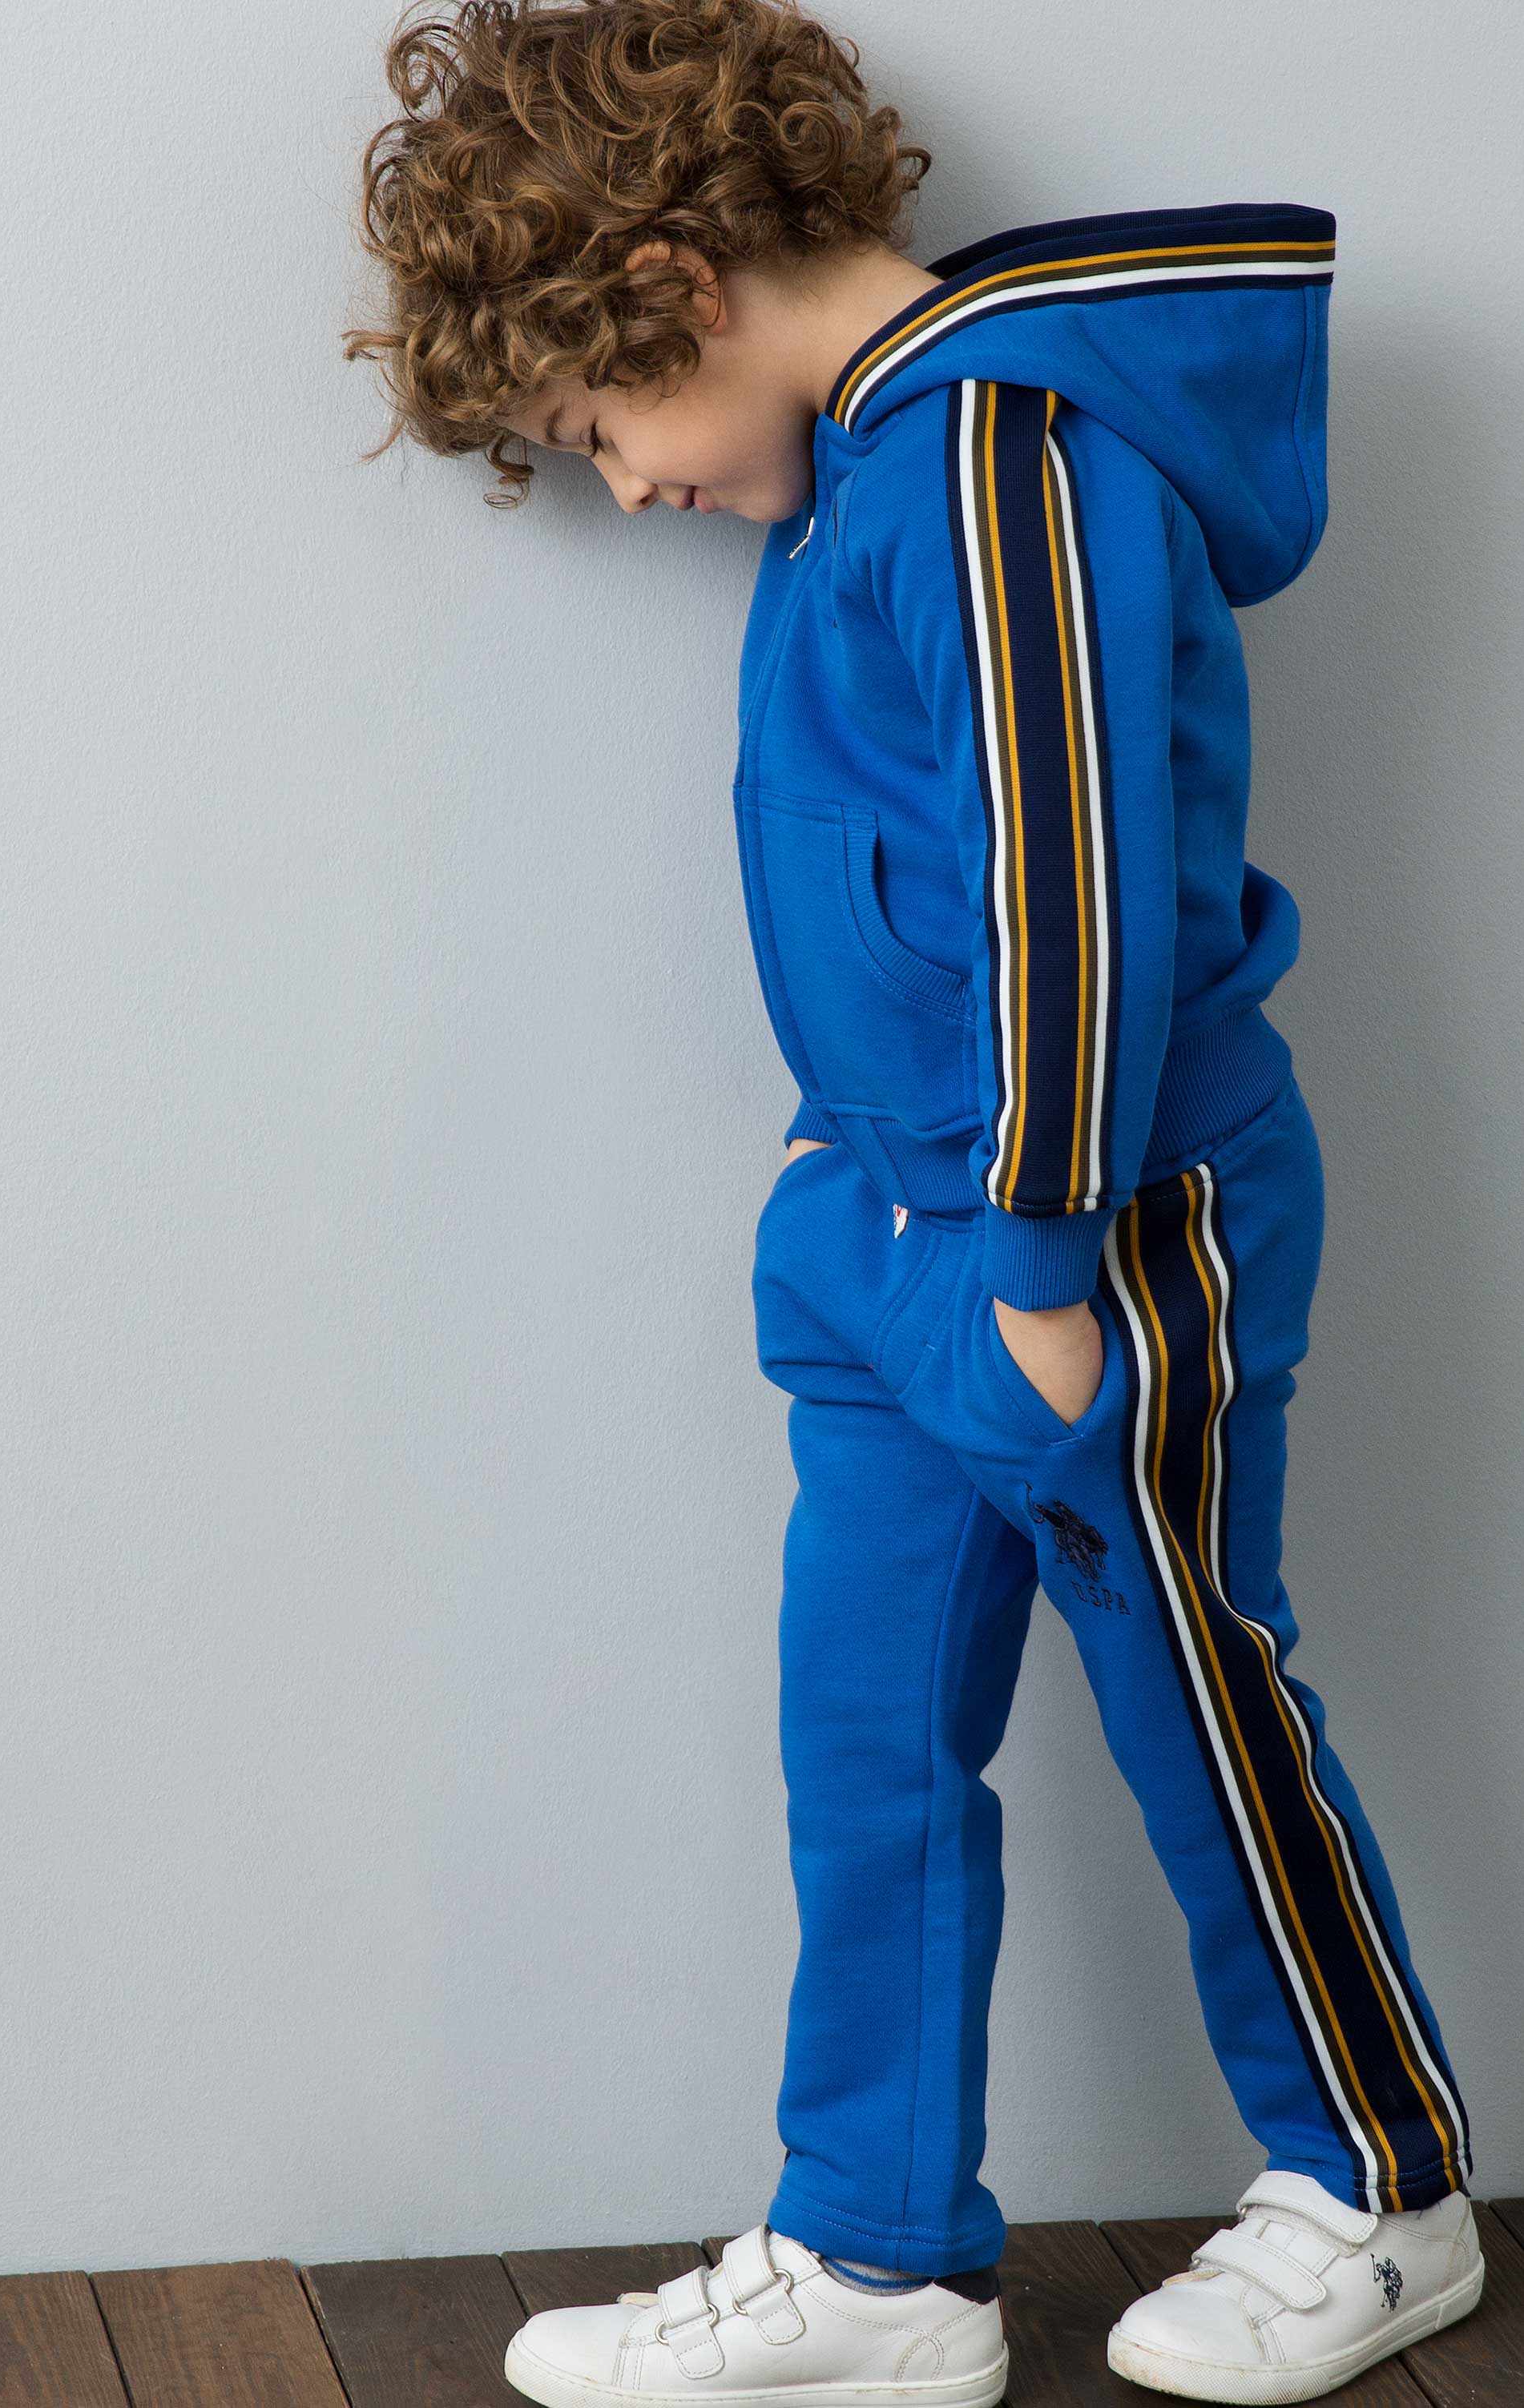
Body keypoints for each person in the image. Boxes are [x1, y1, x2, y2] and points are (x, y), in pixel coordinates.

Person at [344, 2, 1483, 2398]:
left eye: (599, 432)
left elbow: (1078, 887)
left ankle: (1381, 2189)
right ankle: (874, 2260)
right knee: (866, 1739)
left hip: (1086, 1230)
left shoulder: (994, 453)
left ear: (673, 287)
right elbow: (889, 875)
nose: (625, 491)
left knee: (1200, 1702)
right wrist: (832, 1153)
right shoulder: (867, 468)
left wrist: (1044, 1255)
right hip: (881, 1227)